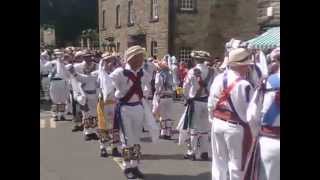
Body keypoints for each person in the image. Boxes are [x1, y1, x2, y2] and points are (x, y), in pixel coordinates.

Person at [109, 45, 159, 179]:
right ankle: (127, 167)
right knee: (126, 139)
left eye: (142, 57)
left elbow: (150, 78)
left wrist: (148, 65)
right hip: (124, 108)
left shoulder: (142, 73)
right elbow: (107, 84)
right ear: (132, 59)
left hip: (138, 107)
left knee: (136, 139)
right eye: (140, 57)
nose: (142, 60)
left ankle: (135, 165)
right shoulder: (119, 72)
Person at [208, 48, 254, 180]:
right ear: (242, 65)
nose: (248, 68)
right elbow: (248, 113)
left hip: (217, 123)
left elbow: (211, 103)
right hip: (235, 127)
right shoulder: (244, 85)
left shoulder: (218, 78)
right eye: (247, 65)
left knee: (218, 163)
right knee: (236, 164)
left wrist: (212, 119)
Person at [244, 48, 280, 180]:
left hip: (269, 140)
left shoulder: (266, 82)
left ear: (275, 61)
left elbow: (252, 115)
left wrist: (257, 134)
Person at [177, 50, 214, 161]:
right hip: (208, 102)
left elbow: (186, 87)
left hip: (196, 102)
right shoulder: (213, 71)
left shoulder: (192, 71)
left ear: (195, 59)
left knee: (193, 128)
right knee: (205, 128)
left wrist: (187, 98)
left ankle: (191, 152)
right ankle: (204, 152)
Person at [67, 52, 100, 141]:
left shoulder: (98, 66)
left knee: (95, 114)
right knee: (85, 114)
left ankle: (94, 131)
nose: (87, 58)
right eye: (85, 57)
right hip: (84, 94)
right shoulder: (78, 67)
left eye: (89, 56)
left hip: (95, 94)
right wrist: (77, 95)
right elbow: (75, 81)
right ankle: (88, 132)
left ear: (91, 57)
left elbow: (94, 78)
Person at [97, 53, 122, 158]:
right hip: (103, 102)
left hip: (114, 102)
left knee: (115, 126)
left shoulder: (117, 72)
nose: (109, 63)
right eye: (107, 61)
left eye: (111, 61)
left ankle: (115, 147)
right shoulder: (100, 73)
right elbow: (99, 83)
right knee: (103, 126)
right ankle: (103, 147)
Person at [43, 50, 70, 121]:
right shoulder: (50, 63)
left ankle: (62, 114)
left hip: (62, 82)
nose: (59, 56)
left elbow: (67, 72)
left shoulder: (65, 63)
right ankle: (55, 115)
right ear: (54, 56)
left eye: (60, 55)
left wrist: (62, 63)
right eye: (57, 55)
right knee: (54, 100)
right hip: (54, 82)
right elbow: (45, 68)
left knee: (63, 99)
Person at [152, 59, 175, 140]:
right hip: (169, 97)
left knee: (162, 115)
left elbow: (157, 86)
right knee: (168, 114)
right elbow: (174, 85)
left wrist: (157, 93)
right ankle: (168, 133)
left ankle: (163, 132)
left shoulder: (159, 75)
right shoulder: (170, 74)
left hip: (162, 96)